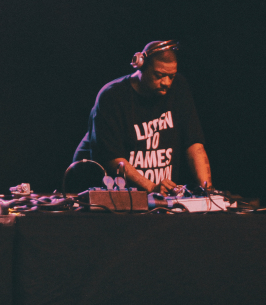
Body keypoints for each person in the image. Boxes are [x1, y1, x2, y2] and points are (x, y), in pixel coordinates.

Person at [73, 40, 212, 194]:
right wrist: (151, 187)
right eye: (159, 75)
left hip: (158, 195)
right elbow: (112, 158)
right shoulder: (112, 97)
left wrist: (207, 190)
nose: (166, 83)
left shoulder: (179, 88)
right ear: (141, 66)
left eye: (171, 76)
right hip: (113, 194)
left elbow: (194, 144)